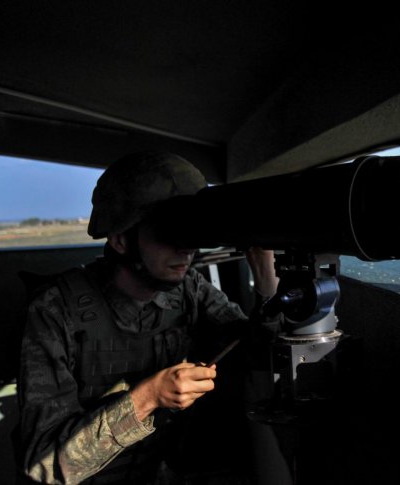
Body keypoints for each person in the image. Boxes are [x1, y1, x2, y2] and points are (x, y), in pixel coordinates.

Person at [16, 152, 279, 484]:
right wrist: (147, 398)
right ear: (122, 239)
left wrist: (267, 284)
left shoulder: (188, 290)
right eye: (170, 232)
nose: (186, 249)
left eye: (192, 232)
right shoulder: (55, 310)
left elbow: (256, 354)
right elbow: (43, 464)